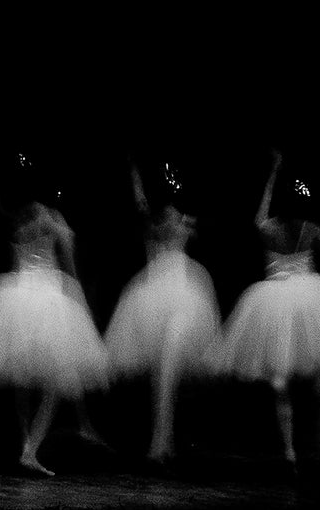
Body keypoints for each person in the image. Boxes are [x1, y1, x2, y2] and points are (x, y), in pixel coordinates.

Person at [218, 151, 320, 466]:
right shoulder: (314, 229)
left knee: (280, 382)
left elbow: (257, 217)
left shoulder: (268, 227)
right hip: (312, 299)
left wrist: (273, 174)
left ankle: (290, 450)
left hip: (273, 301)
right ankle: (317, 442)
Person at [0, 196, 111, 476]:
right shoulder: (49, 225)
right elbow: (68, 264)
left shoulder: (24, 226)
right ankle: (29, 449)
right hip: (45, 295)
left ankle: (28, 446)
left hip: (22, 293)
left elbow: (21, 261)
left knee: (27, 381)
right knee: (51, 381)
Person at [104, 157, 222, 464]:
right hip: (152, 300)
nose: (170, 213)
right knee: (162, 373)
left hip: (183, 297)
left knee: (170, 370)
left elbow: (198, 209)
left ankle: (164, 442)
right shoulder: (153, 225)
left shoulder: (183, 222)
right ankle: (161, 443)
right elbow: (141, 203)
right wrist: (133, 172)